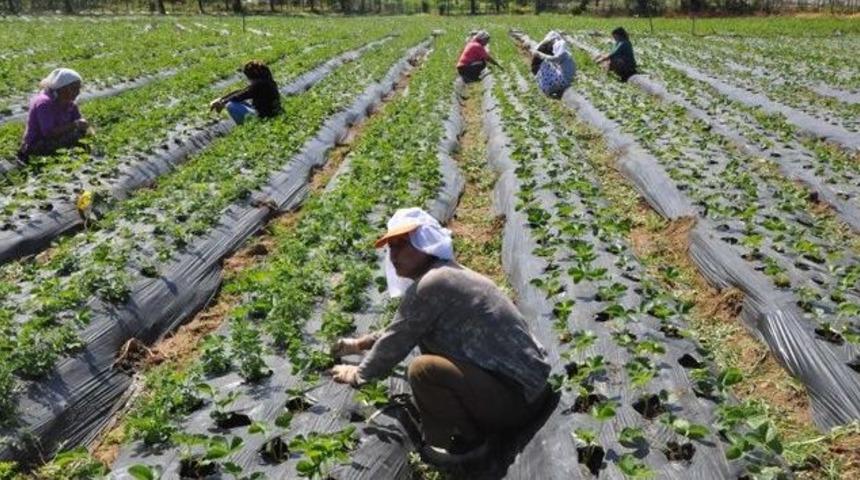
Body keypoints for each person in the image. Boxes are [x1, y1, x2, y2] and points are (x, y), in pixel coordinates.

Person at [330, 207, 551, 465]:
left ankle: (470, 445)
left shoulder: (432, 284)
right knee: (429, 355)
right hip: (530, 389)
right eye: (391, 247)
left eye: (402, 245)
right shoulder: (445, 274)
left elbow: (397, 339)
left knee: (423, 370)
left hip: (518, 401)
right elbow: (403, 327)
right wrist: (358, 344)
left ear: (424, 244)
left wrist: (358, 374)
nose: (393, 255)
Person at [18, 68, 90, 161]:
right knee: (77, 136)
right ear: (62, 88)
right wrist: (75, 125)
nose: (78, 92)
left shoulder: (69, 102)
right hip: (37, 143)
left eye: (79, 88)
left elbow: (80, 122)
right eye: (74, 89)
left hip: (57, 138)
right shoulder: (44, 103)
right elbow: (48, 133)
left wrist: (84, 125)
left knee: (82, 133)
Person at [210, 60, 281, 125]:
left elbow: (238, 97)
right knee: (235, 101)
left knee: (231, 105)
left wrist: (222, 103)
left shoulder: (259, 85)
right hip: (272, 113)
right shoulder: (267, 81)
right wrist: (221, 99)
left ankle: (246, 126)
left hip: (265, 117)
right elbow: (241, 91)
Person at [532, 31, 576, 98]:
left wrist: (540, 54)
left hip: (563, 80)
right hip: (568, 80)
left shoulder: (560, 48)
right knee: (549, 64)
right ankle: (553, 88)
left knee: (545, 64)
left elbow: (555, 59)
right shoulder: (565, 50)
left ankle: (547, 89)